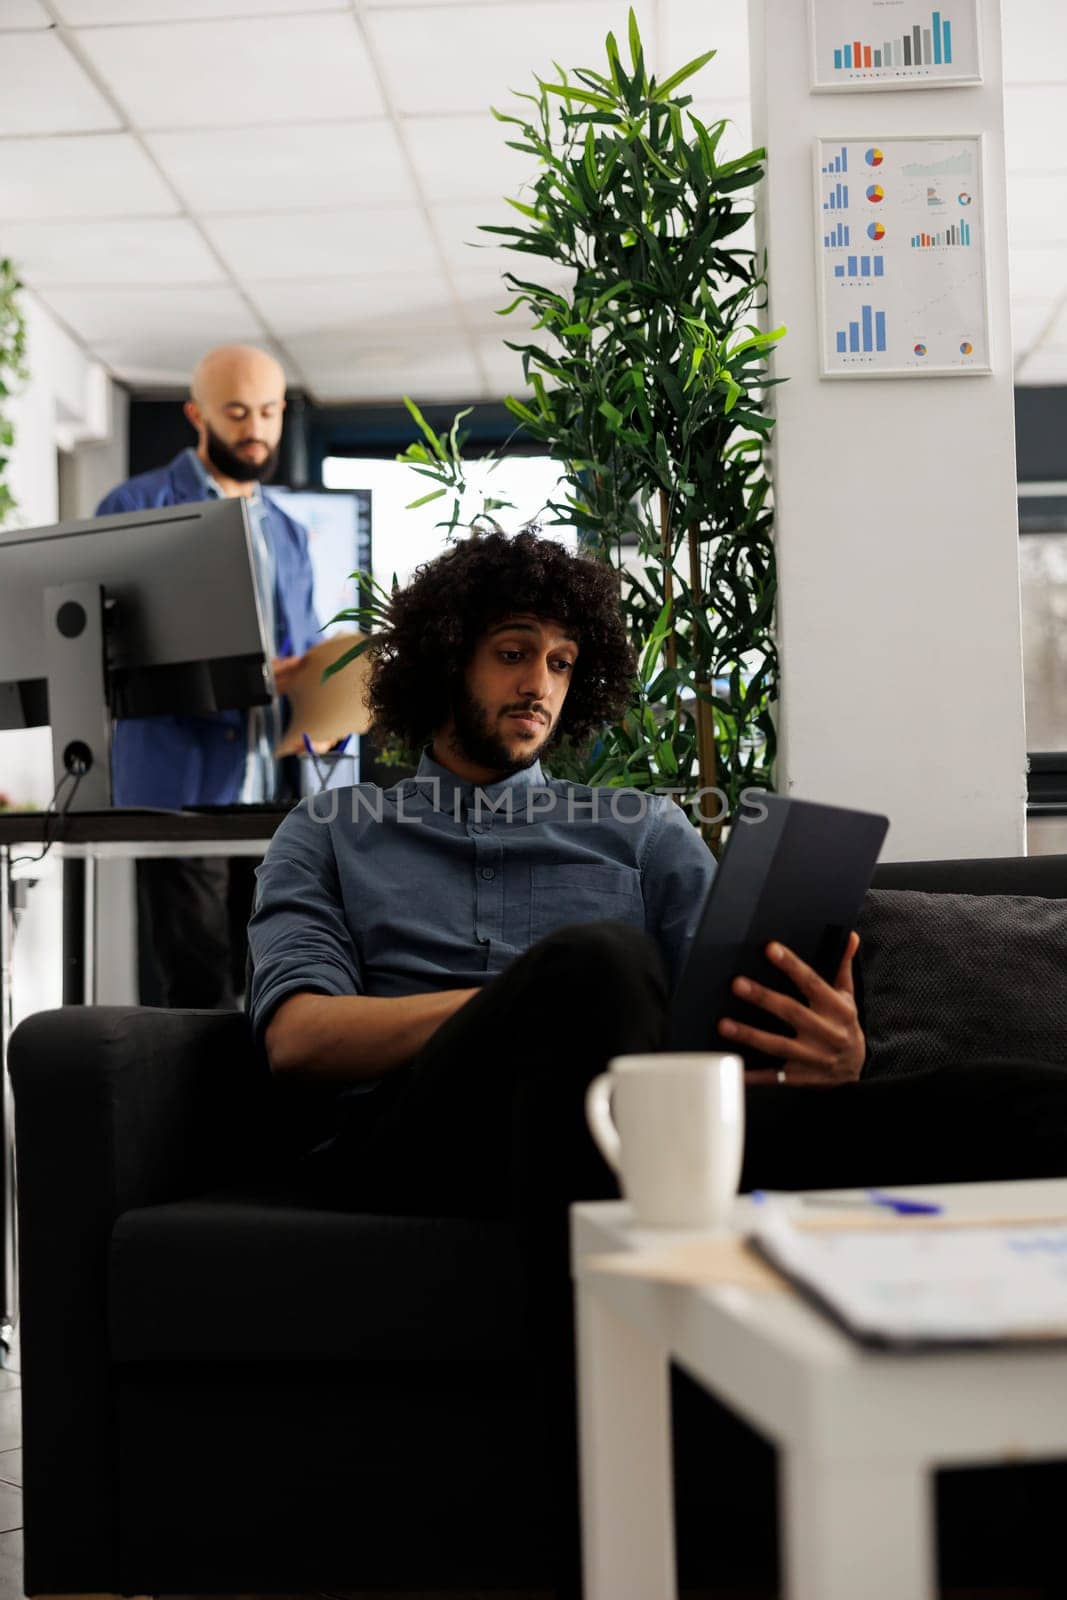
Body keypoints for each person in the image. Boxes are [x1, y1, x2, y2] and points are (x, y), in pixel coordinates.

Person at [247, 529, 1067, 1596]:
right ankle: (610, 1530)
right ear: (445, 655)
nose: (537, 682)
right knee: (593, 965)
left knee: (1022, 1104)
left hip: (642, 1132)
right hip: (424, 1135)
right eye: (510, 651)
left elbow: (714, 1025)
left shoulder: (640, 831)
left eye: (559, 662)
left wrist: (831, 1050)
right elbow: (301, 1036)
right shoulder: (331, 830)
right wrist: (531, 999)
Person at [97, 344, 320, 1008]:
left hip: (268, 795)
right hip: (177, 789)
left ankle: (255, 1116)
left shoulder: (288, 531)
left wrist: (327, 706)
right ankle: (191, 1116)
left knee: (269, 983)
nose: (255, 428)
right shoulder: (136, 506)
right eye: (237, 412)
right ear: (197, 415)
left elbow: (300, 652)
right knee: (196, 986)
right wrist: (239, 674)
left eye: (269, 412)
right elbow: (109, 655)